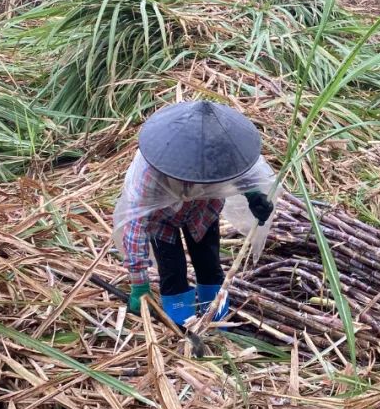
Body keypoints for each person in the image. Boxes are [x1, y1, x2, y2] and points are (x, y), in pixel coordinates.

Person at [111, 100, 277, 327]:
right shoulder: (151, 175)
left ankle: (215, 317)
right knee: (172, 272)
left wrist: (254, 195)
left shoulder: (221, 151)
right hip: (162, 222)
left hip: (203, 213)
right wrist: (139, 285)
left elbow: (241, 172)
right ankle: (181, 321)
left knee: (209, 264)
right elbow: (136, 226)